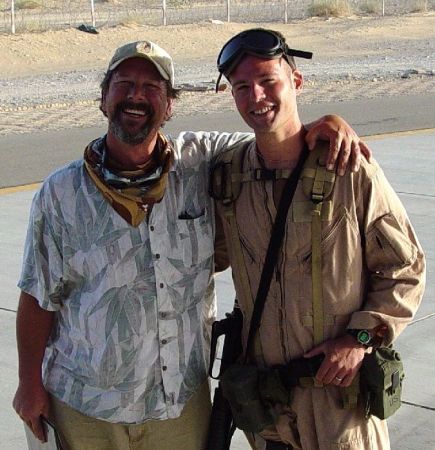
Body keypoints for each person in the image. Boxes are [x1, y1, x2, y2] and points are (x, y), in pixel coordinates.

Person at [13, 39, 371, 450]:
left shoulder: (202, 164)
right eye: (124, 83)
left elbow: (275, 138)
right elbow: (38, 296)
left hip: (179, 405)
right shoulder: (60, 193)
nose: (136, 96)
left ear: (169, 106)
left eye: (152, 87)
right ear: (103, 98)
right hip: (85, 404)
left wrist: (324, 126)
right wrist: (29, 383)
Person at [210, 28, 426, 450]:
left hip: (341, 412)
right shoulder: (229, 177)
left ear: (296, 82)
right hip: (270, 413)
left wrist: (360, 338)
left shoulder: (348, 168)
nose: (256, 97)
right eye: (241, 87)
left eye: (268, 81)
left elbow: (406, 271)